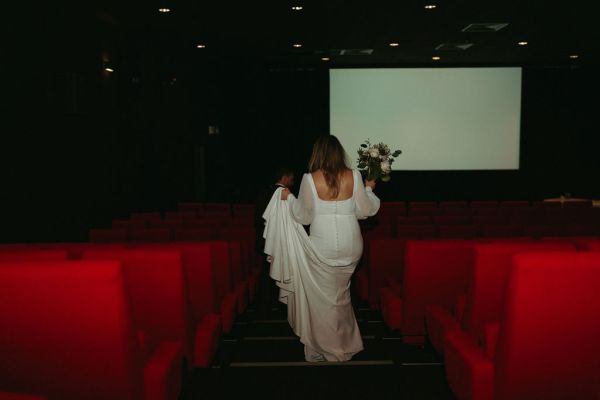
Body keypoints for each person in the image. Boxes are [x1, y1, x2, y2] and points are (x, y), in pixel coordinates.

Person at [262, 134, 379, 362]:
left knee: (323, 300)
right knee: (341, 295)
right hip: (351, 245)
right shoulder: (354, 176)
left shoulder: (309, 179)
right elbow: (365, 211)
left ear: (318, 153)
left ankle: (325, 347)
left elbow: (304, 217)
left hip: (322, 247)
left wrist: (289, 198)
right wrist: (370, 190)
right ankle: (346, 343)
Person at [254, 166, 295, 317]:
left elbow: (257, 220)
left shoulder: (262, 193)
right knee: (282, 270)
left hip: (264, 241)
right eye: (291, 178)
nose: (292, 181)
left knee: (266, 273)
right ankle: (282, 306)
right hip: (280, 242)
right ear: (284, 177)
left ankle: (265, 307)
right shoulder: (287, 194)